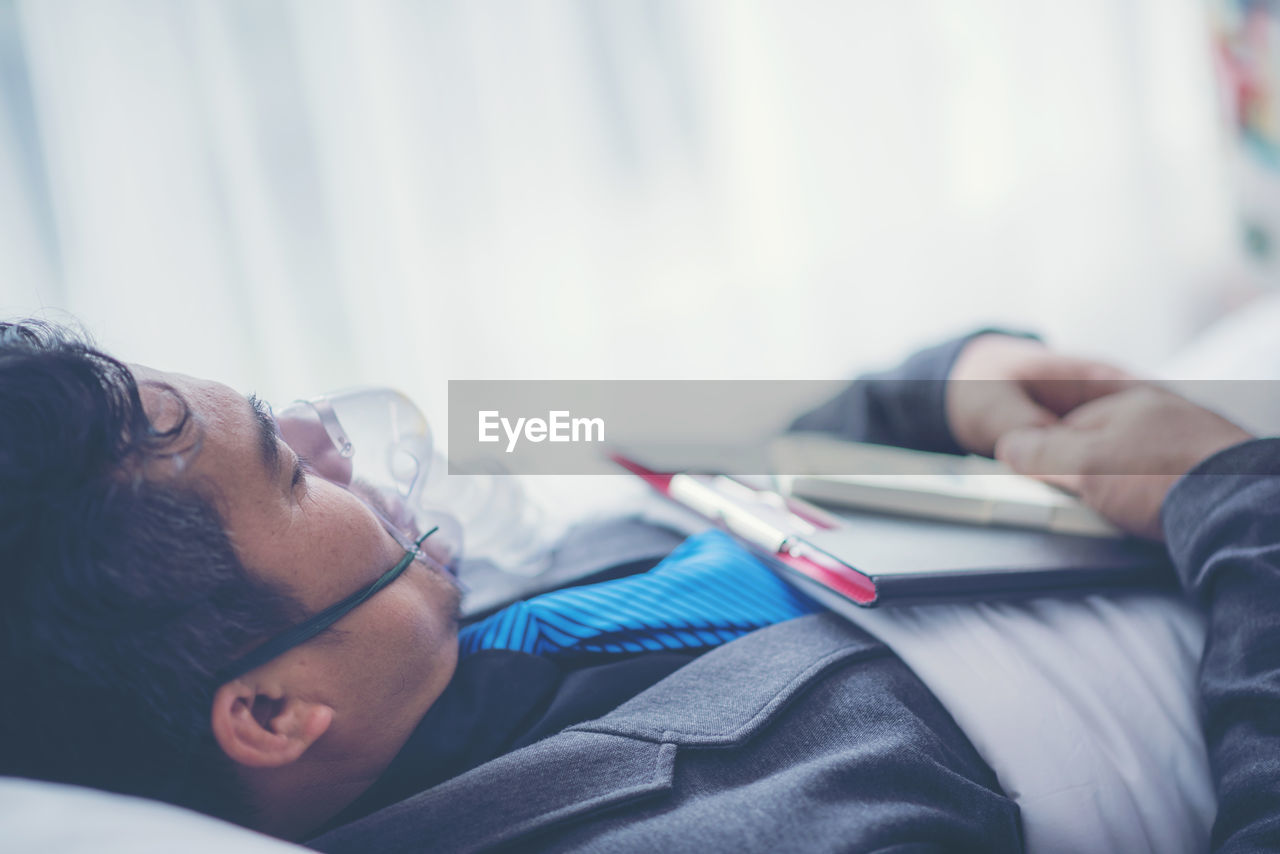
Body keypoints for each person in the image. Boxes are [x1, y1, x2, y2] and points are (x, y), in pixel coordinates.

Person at [0, 319, 1273, 851]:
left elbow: (739, 485)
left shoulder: (442, 628)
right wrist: (1232, 498)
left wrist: (945, 379)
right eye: (286, 471)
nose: (330, 430)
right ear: (273, 712)